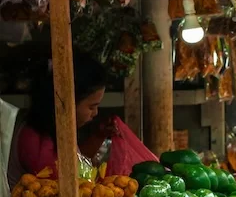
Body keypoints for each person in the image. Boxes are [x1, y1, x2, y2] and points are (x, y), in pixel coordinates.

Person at [6, 51, 154, 189]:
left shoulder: (52, 129)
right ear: (67, 102)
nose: (95, 113)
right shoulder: (36, 141)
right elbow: (68, 188)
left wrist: (98, 136)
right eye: (91, 107)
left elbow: (75, 163)